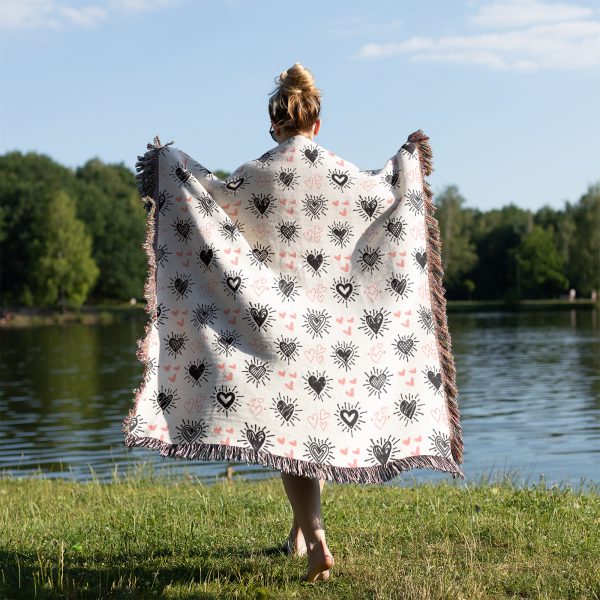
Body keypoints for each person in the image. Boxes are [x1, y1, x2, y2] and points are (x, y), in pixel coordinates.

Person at [268, 62, 333, 583]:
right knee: (310, 433)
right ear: (316, 123)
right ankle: (296, 535)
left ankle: (316, 541)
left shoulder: (256, 173)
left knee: (289, 440)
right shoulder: (341, 175)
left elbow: (211, 211)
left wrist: (172, 166)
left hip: (276, 327)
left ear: (275, 125)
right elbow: (382, 201)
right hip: (332, 325)